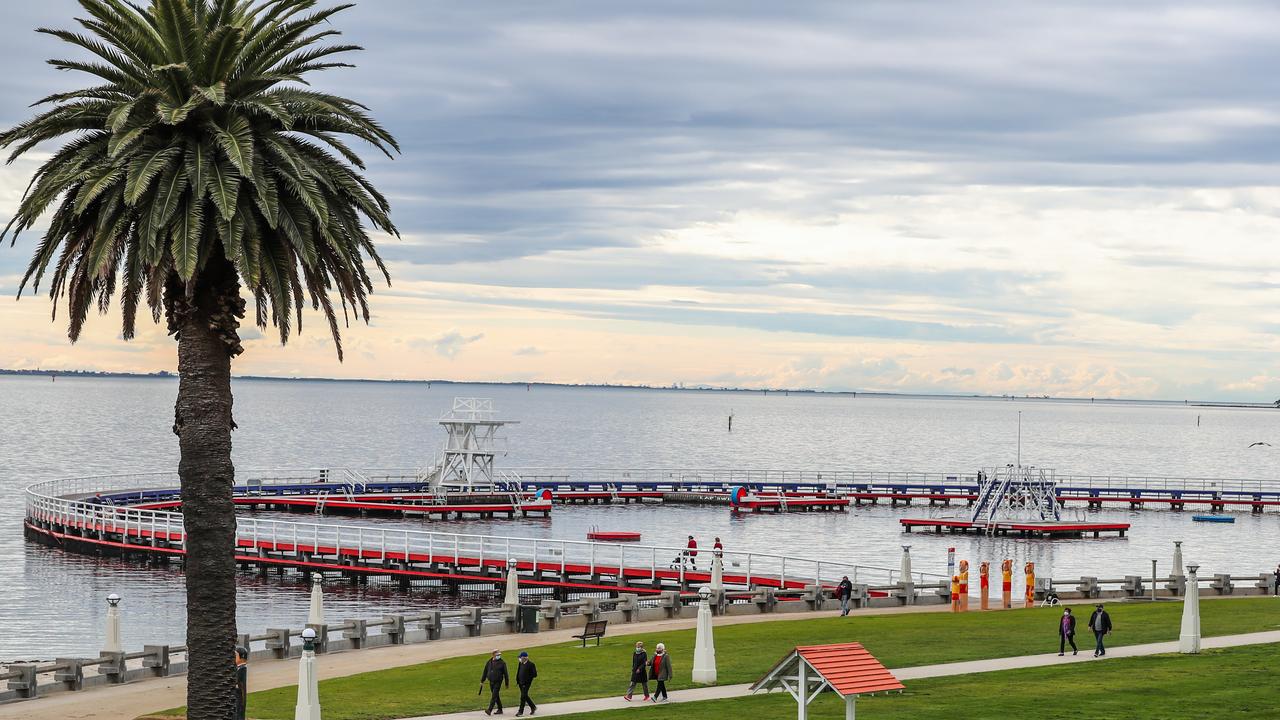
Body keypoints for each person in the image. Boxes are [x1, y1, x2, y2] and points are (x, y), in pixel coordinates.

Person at [480, 649, 509, 715]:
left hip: (498, 682)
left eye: (499, 655)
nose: (499, 656)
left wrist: (506, 683)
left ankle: (489, 710)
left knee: (494, 696)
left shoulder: (502, 663)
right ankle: (500, 709)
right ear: (493, 655)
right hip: (491, 681)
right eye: (497, 655)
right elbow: (485, 671)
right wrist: (482, 680)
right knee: (496, 696)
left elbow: (506, 674)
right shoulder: (489, 662)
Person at [515, 651, 537, 716]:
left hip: (526, 683)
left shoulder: (531, 664)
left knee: (522, 697)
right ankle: (533, 707)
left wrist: (527, 679)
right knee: (525, 696)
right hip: (520, 683)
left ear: (524, 658)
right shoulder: (521, 663)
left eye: (520, 657)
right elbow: (518, 671)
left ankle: (520, 712)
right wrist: (517, 680)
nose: (519, 659)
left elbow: (534, 674)